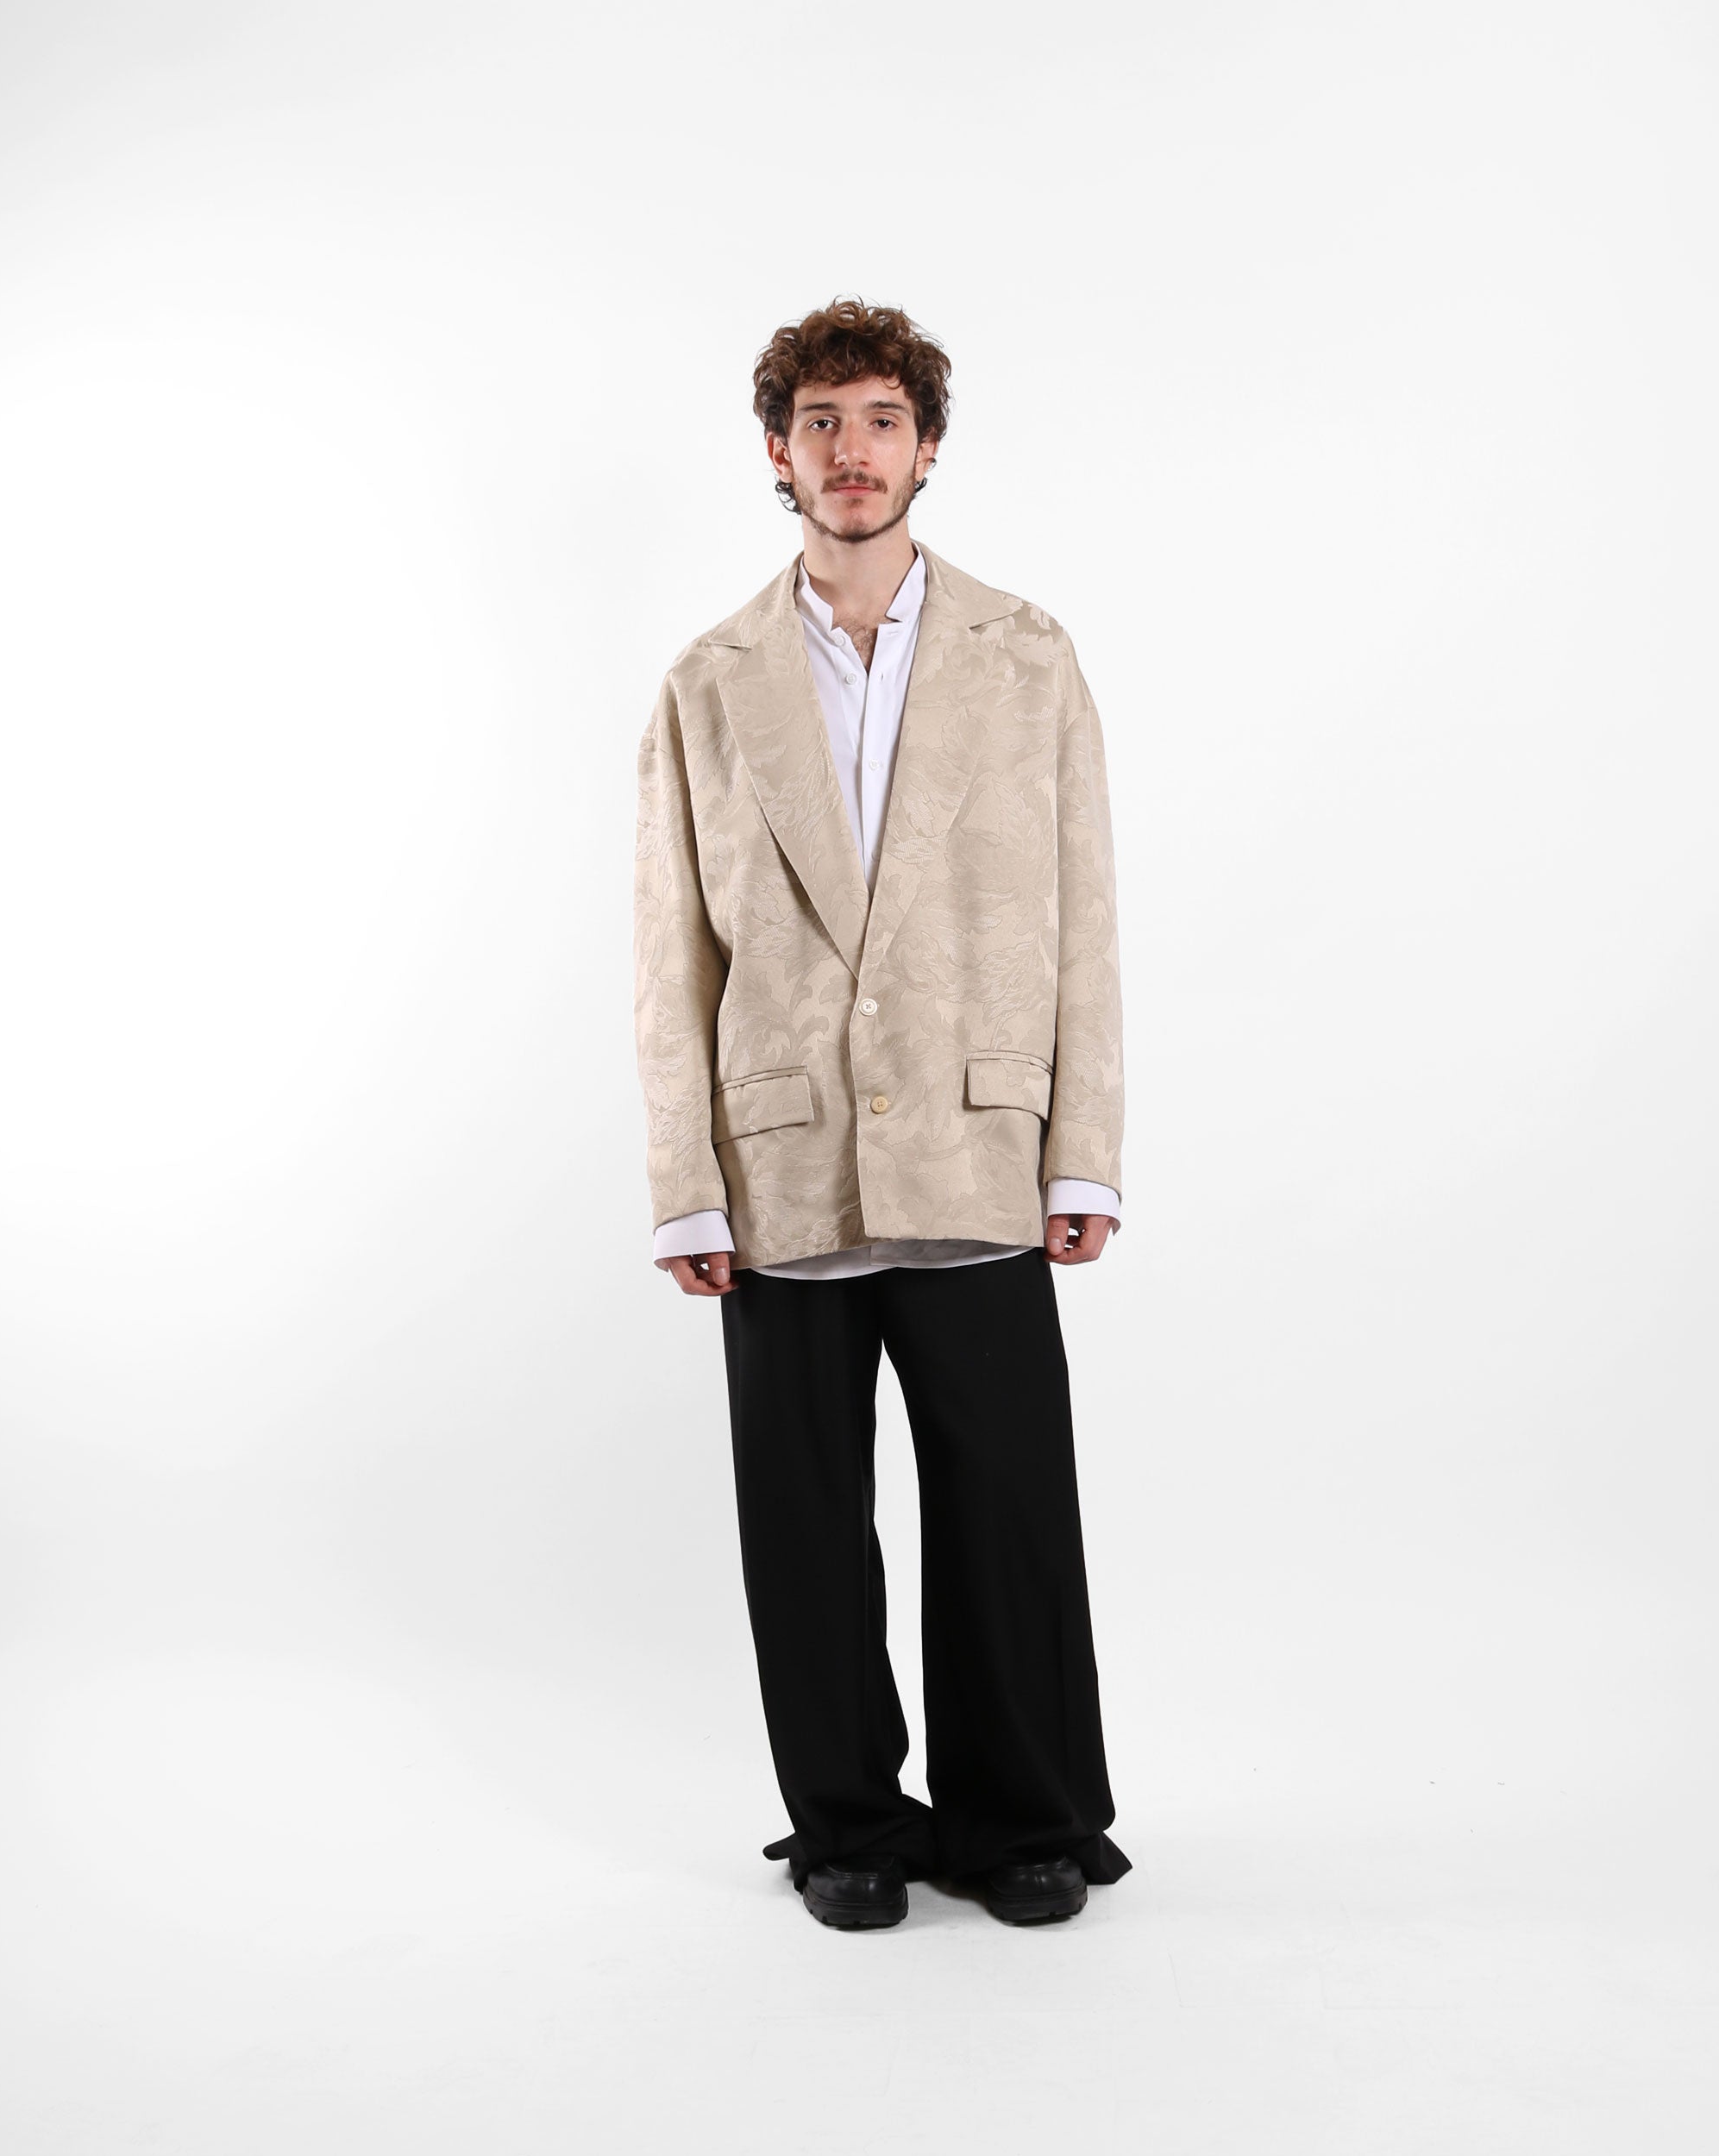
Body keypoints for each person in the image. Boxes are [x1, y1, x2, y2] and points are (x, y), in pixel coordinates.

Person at [632, 297, 1129, 1930]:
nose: (852, 451)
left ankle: (1023, 1818)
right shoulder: (708, 682)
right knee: (804, 1519)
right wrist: (684, 1179)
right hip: (782, 1164)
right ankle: (847, 1823)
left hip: (979, 1149)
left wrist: (1082, 1153)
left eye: (882, 421)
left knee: (1007, 1504)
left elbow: (1083, 915)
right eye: (822, 423)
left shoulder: (1027, 655)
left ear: (927, 447)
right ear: (778, 453)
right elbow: (669, 949)